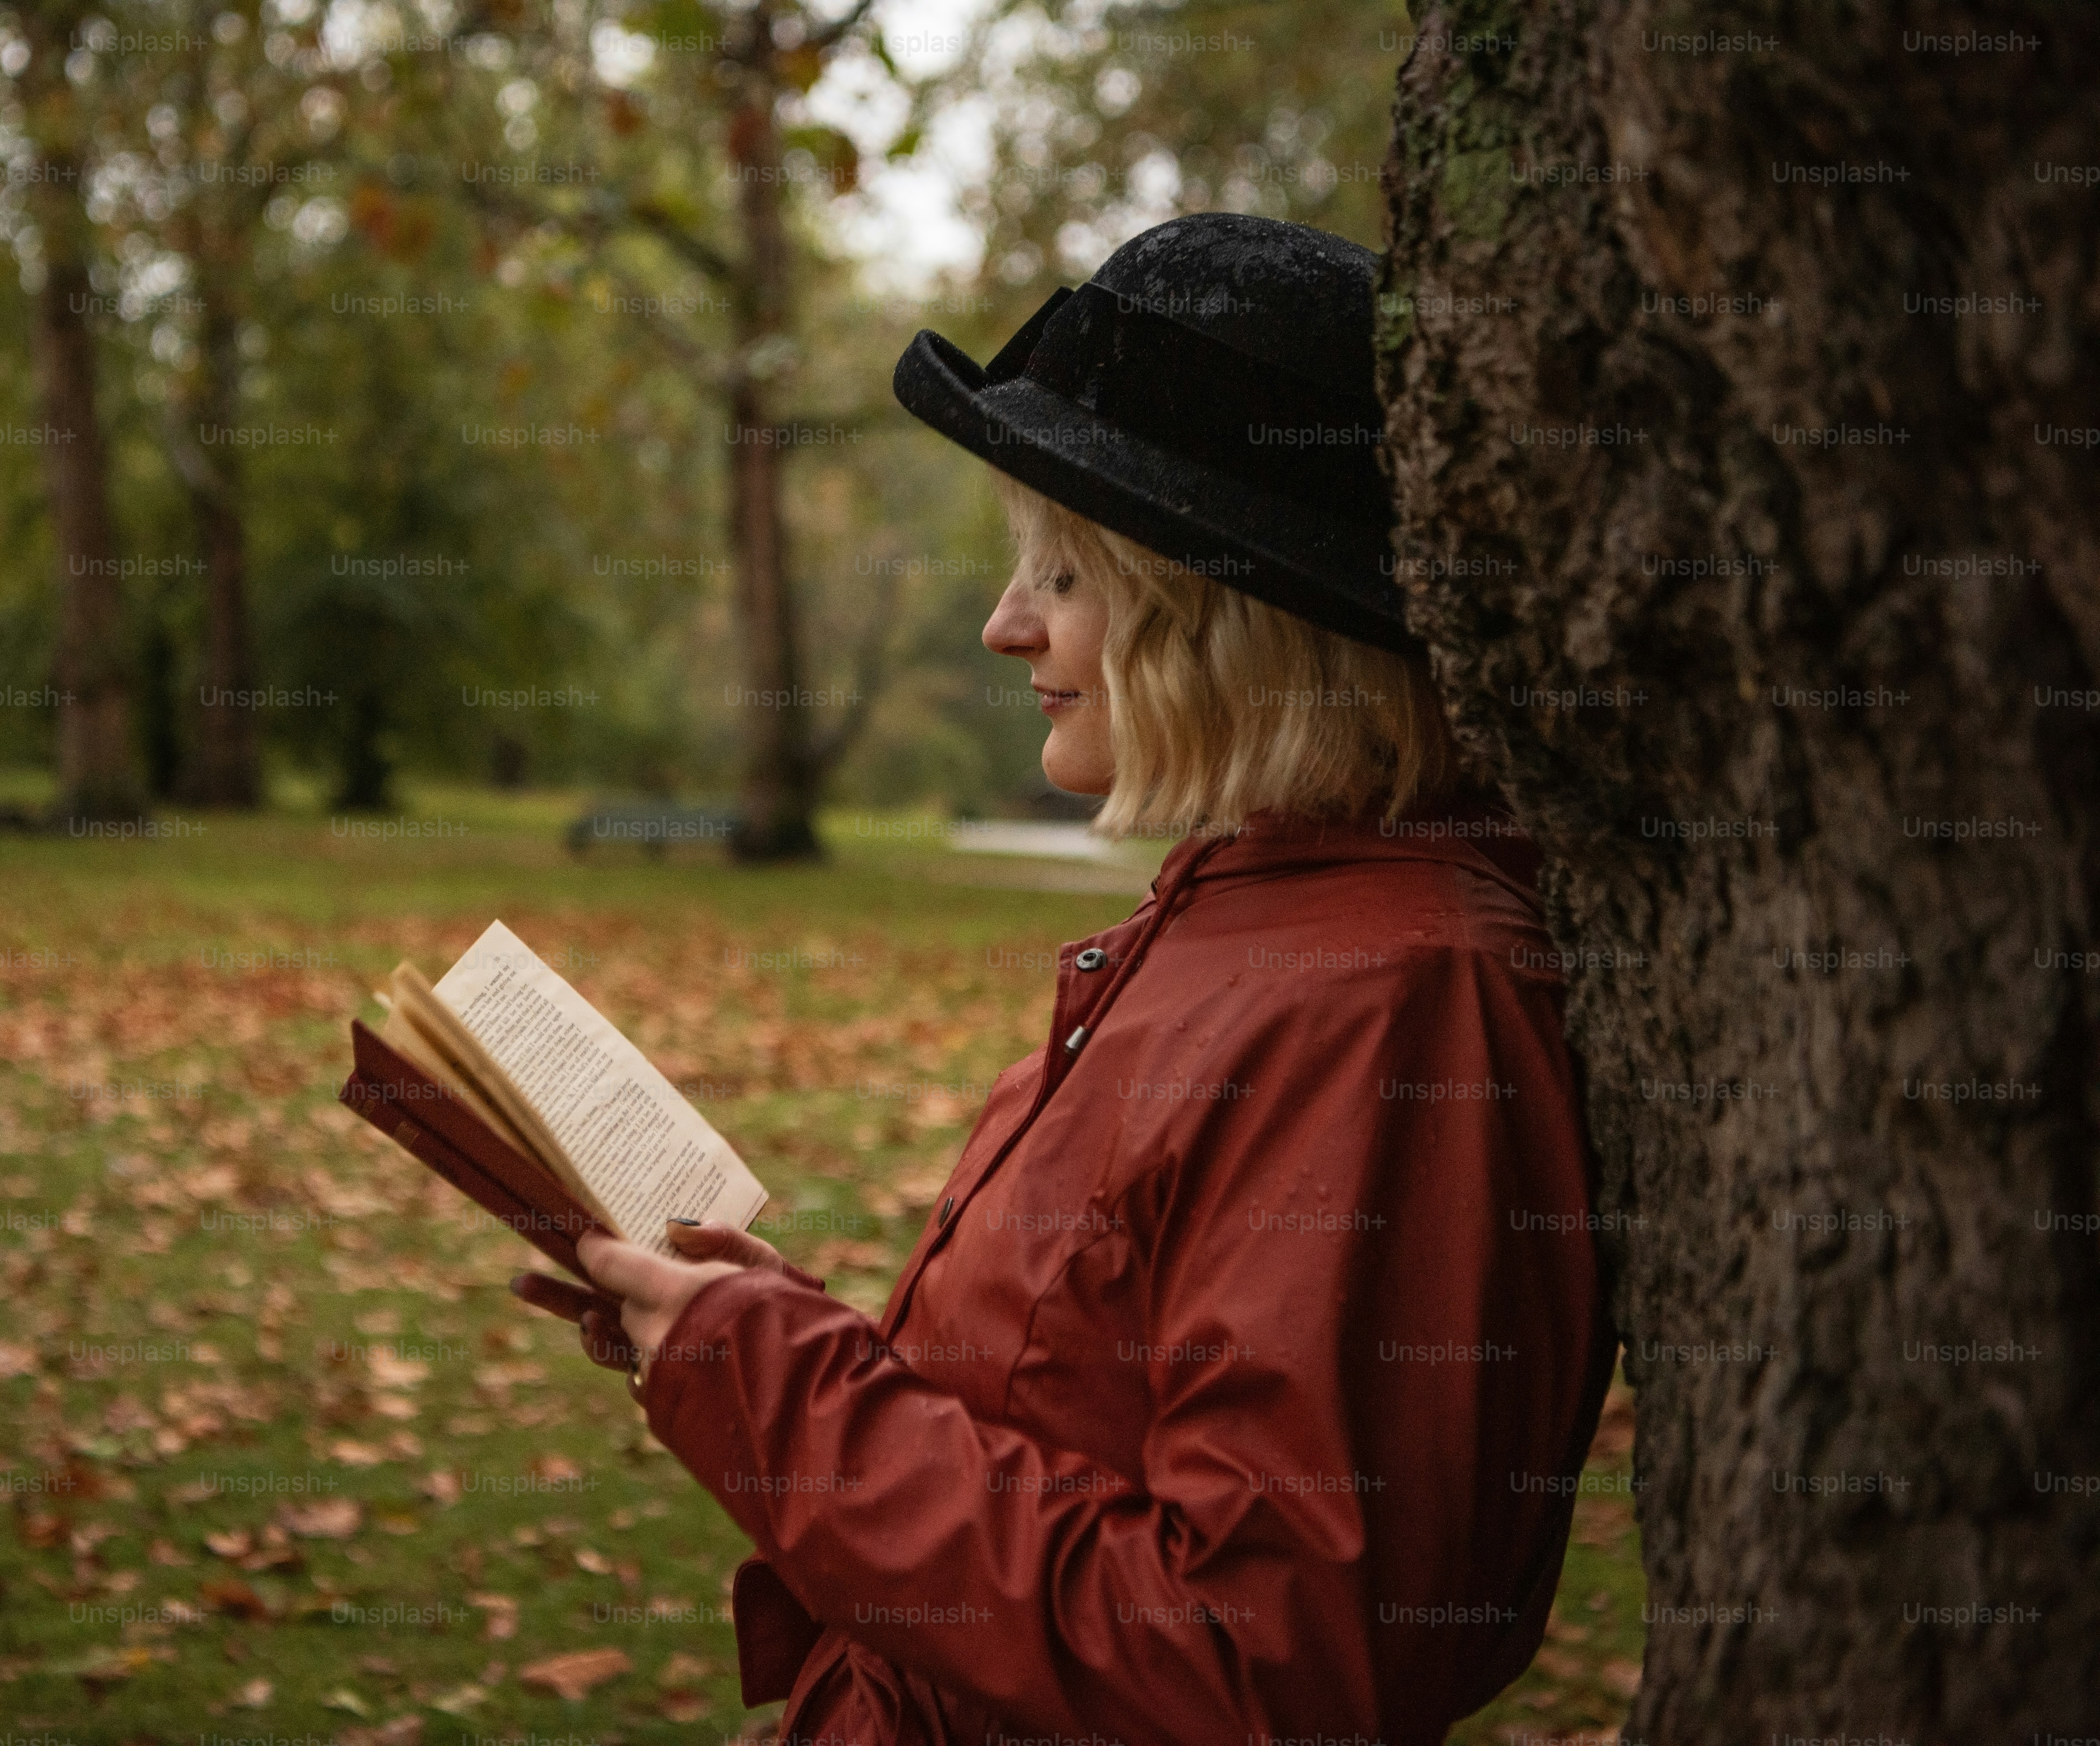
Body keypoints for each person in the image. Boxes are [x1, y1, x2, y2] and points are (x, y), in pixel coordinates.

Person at [513, 212, 1617, 1746]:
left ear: (1227, 614)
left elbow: (1258, 1668)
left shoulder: (1396, 1009)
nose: (1002, 623)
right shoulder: (1260, 917)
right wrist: (752, 1328)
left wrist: (784, 1396)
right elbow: (1071, 1417)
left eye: (1063, 573)